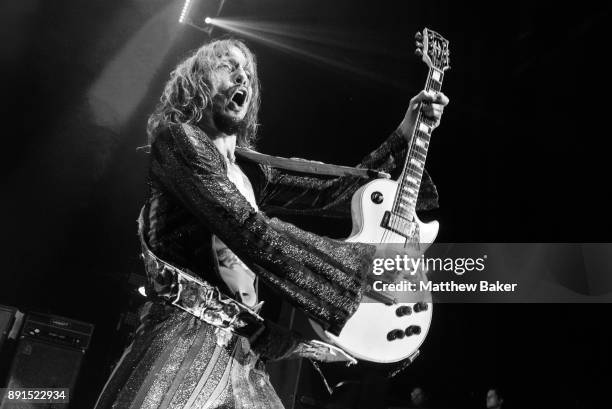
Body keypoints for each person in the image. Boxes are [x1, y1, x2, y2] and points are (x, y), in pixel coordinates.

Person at [95, 37, 448, 408]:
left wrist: (405, 134)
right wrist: (356, 268)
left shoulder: (248, 174)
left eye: (247, 72)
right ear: (196, 82)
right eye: (228, 67)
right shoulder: (179, 142)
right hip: (184, 339)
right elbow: (247, 229)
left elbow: (331, 191)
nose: (241, 77)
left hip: (242, 352)